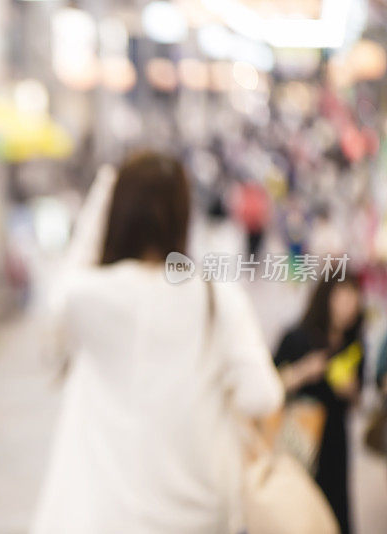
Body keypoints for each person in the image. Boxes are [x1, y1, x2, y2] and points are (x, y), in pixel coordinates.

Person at [31, 152, 284, 533]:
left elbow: (54, 316)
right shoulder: (217, 297)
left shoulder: (87, 296)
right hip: (197, 515)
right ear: (185, 215)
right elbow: (261, 395)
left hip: (97, 515)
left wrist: (101, 202)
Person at [274, 274, 364, 534]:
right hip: (299, 440)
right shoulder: (297, 337)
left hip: (335, 443)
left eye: (353, 298)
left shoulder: (353, 343)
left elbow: (358, 401)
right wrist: (304, 371)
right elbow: (271, 386)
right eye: (342, 296)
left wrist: (351, 391)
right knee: (299, 514)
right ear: (326, 297)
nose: (348, 305)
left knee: (335, 514)